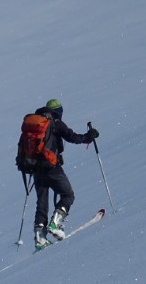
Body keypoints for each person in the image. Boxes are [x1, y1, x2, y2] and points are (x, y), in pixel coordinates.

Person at [32, 99, 99, 248]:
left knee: (41, 204)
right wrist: (88, 137)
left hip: (36, 170)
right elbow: (72, 137)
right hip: (52, 168)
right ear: (58, 112)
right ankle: (55, 224)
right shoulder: (55, 123)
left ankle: (40, 238)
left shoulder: (37, 124)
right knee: (68, 195)